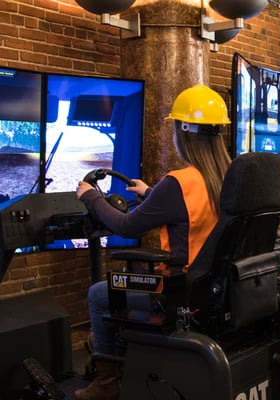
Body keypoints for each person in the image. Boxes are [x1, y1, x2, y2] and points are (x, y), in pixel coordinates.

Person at [73, 84, 232, 400]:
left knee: (99, 294)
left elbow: (125, 224)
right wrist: (150, 193)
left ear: (183, 132)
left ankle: (107, 382)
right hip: (213, 288)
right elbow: (189, 211)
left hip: (178, 292)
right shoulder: (226, 175)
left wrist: (90, 197)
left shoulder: (177, 183)